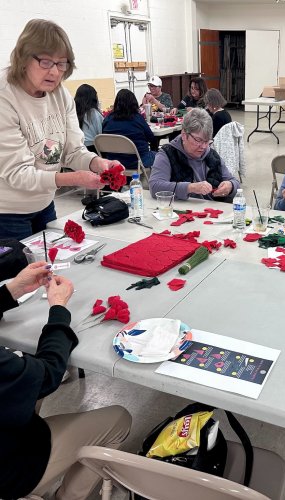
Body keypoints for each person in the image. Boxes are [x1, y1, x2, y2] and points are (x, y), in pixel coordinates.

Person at [0, 262, 131, 499]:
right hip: (10, 472)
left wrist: (13, 290)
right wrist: (59, 310)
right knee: (119, 419)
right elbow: (48, 374)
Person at [0, 19, 118, 241]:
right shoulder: (5, 96)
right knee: (18, 274)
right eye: (45, 62)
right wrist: (75, 178)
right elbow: (18, 174)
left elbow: (73, 151)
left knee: (51, 269)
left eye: (61, 64)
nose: (54, 72)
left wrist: (97, 163)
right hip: (7, 213)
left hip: (44, 203)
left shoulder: (60, 94)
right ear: (24, 58)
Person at [149, 108, 239, 201]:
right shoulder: (167, 154)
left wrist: (230, 186)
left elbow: (235, 183)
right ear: (184, 135)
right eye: (198, 140)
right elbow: (155, 187)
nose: (204, 146)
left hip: (212, 210)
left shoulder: (212, 155)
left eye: (207, 141)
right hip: (182, 211)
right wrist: (190, 188)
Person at [102, 88, 156, 168]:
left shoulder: (108, 119)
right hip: (138, 161)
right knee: (162, 155)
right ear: (134, 103)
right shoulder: (137, 118)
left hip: (114, 162)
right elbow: (151, 138)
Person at [74, 84, 103, 153]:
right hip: (93, 148)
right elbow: (101, 134)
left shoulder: (73, 113)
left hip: (77, 148)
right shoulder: (94, 113)